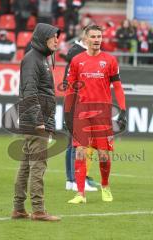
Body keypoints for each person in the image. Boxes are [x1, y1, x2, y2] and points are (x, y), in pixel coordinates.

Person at [64, 25, 126, 204]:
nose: (97, 39)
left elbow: (118, 87)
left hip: (103, 114)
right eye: (93, 36)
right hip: (82, 113)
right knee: (81, 152)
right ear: (86, 38)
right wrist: (67, 113)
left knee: (104, 155)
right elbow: (70, 89)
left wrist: (122, 109)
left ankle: (105, 186)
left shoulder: (110, 60)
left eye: (99, 36)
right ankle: (80, 193)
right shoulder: (76, 60)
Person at [11, 23, 61, 221]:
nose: (57, 40)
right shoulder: (33, 59)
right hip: (36, 122)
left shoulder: (40, 58)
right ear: (43, 38)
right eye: (54, 37)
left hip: (35, 120)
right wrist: (40, 120)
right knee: (38, 166)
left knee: (25, 166)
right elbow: (30, 91)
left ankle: (18, 208)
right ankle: (39, 210)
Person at [63, 28, 99, 191]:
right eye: (93, 37)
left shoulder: (74, 54)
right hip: (79, 105)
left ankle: (71, 180)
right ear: (86, 38)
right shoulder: (79, 56)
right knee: (79, 144)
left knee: (73, 144)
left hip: (72, 104)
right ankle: (78, 181)